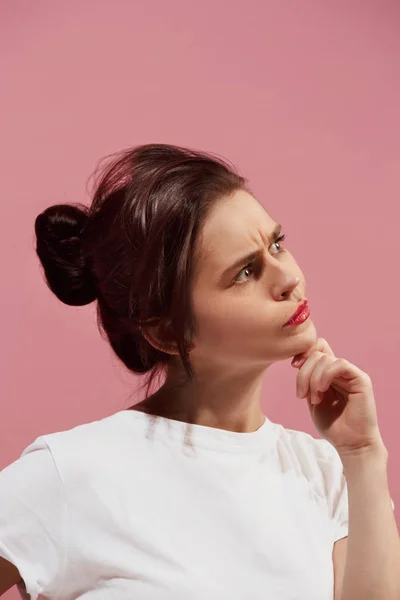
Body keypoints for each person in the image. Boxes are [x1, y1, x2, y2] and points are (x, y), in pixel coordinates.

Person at [1, 143, 393, 599]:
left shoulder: (329, 472)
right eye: (245, 272)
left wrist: (363, 454)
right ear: (168, 332)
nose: (288, 279)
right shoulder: (71, 473)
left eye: (277, 245)